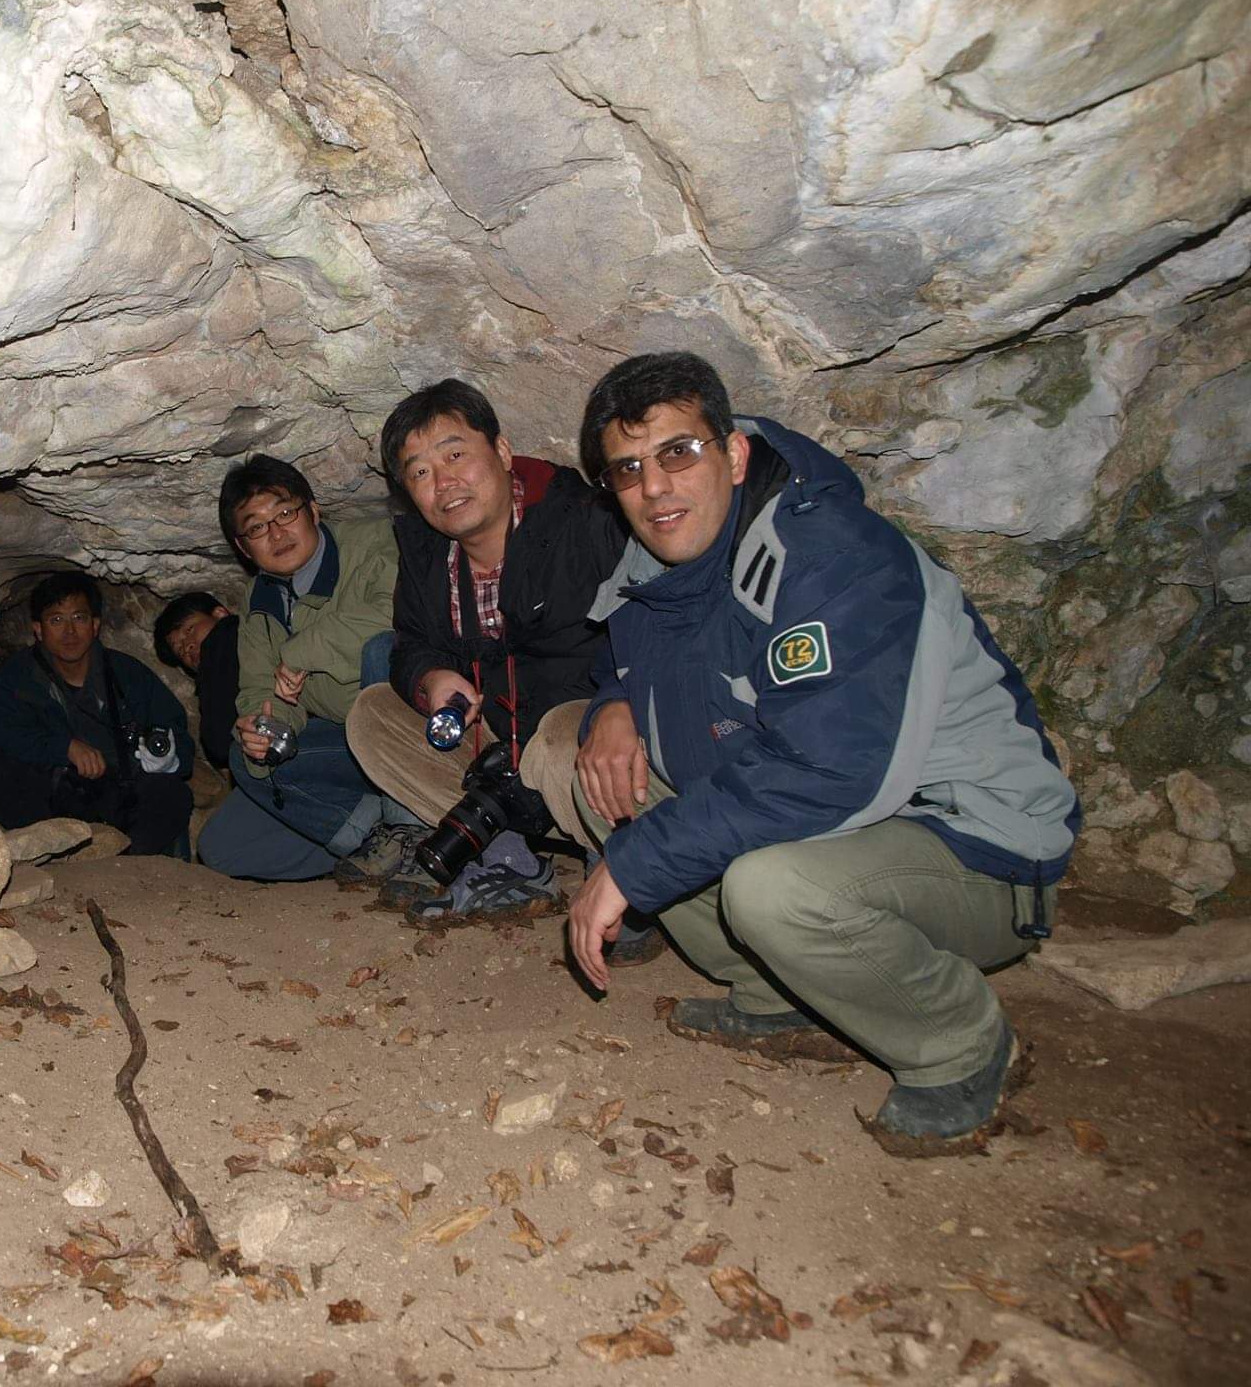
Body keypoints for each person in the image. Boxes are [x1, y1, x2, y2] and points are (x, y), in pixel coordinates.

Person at [565, 351, 1079, 1155]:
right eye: (627, 470)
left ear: (735, 454)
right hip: (846, 821)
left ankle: (960, 1046)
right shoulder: (655, 566)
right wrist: (614, 707)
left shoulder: (832, 554)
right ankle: (776, 997)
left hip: (973, 843)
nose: (654, 487)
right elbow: (630, 667)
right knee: (598, 775)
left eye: (678, 452)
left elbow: (832, 767)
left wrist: (637, 864)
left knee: (771, 887)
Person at [345, 381, 633, 919]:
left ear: (501, 451)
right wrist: (431, 678)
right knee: (372, 716)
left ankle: (624, 865)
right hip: (501, 742)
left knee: (560, 735)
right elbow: (409, 642)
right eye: (420, 473)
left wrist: (613, 707)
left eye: (454, 455)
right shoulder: (427, 554)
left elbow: (652, 632)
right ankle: (510, 864)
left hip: (587, 738)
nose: (443, 483)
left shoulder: (585, 521)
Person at [195, 455, 413, 883]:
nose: (276, 533)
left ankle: (411, 826)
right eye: (257, 528)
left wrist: (301, 651)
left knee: (382, 651)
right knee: (223, 844)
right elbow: (262, 688)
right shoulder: (259, 602)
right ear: (243, 547)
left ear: (313, 511)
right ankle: (374, 839)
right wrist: (263, 728)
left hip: (420, 735)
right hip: (349, 747)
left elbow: (397, 615)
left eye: (285, 513)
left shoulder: (375, 542)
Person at [0, 572, 195, 856]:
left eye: (79, 618)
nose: (69, 631)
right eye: (56, 620)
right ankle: (50, 854)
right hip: (53, 796)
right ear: (38, 629)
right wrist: (63, 748)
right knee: (0, 774)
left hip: (119, 793)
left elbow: (176, 736)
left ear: (94, 625)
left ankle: (126, 861)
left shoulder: (128, 674)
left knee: (172, 793)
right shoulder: (16, 678)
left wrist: (167, 759)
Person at [153, 592, 238, 771]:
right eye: (179, 649)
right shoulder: (212, 681)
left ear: (220, 614)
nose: (187, 646)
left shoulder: (230, 632)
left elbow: (220, 743)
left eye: (189, 629)